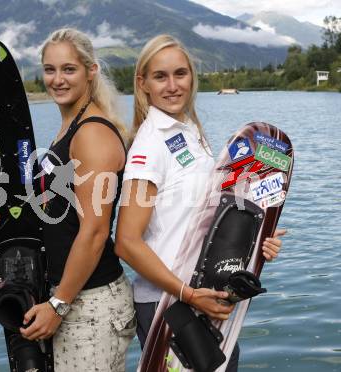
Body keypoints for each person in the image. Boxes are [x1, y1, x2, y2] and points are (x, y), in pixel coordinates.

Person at [114, 34, 286, 371]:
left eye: (180, 74)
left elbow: (205, 220)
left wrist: (257, 245)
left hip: (206, 298)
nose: (172, 85)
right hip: (170, 304)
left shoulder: (190, 130)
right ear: (143, 83)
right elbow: (126, 244)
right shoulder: (148, 148)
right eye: (160, 76)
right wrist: (189, 295)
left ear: (192, 76)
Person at [0, 28, 136, 371]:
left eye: (69, 69)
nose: (57, 79)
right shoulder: (67, 131)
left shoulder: (92, 134)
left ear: (91, 71)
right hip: (66, 295)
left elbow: (94, 231)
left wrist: (59, 304)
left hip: (90, 303)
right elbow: (56, 213)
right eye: (50, 70)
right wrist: (2, 216)